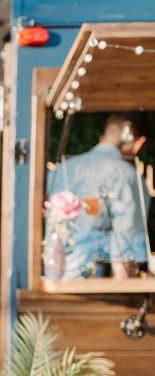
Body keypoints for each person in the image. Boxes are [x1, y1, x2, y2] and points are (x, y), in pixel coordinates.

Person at [46, 113, 151, 280]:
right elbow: (126, 250)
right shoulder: (128, 178)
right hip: (96, 289)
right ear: (139, 143)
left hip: (54, 279)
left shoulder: (61, 170)